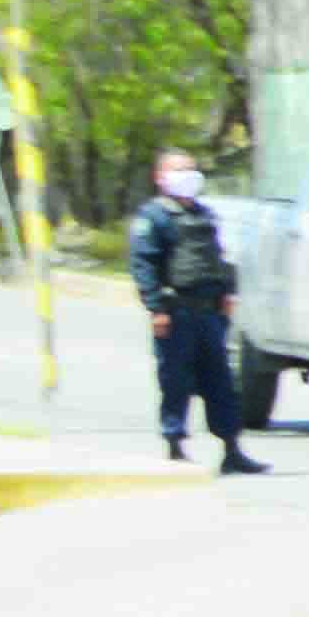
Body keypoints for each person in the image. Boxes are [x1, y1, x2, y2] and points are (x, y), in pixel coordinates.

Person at [128, 152, 264, 474]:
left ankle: (232, 448)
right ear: (160, 177)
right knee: (176, 380)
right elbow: (143, 265)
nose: (188, 175)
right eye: (179, 170)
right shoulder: (154, 217)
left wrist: (227, 293)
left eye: (192, 169)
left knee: (221, 383)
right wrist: (156, 308)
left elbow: (219, 258)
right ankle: (175, 445)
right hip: (175, 314)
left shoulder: (205, 216)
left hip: (209, 315)